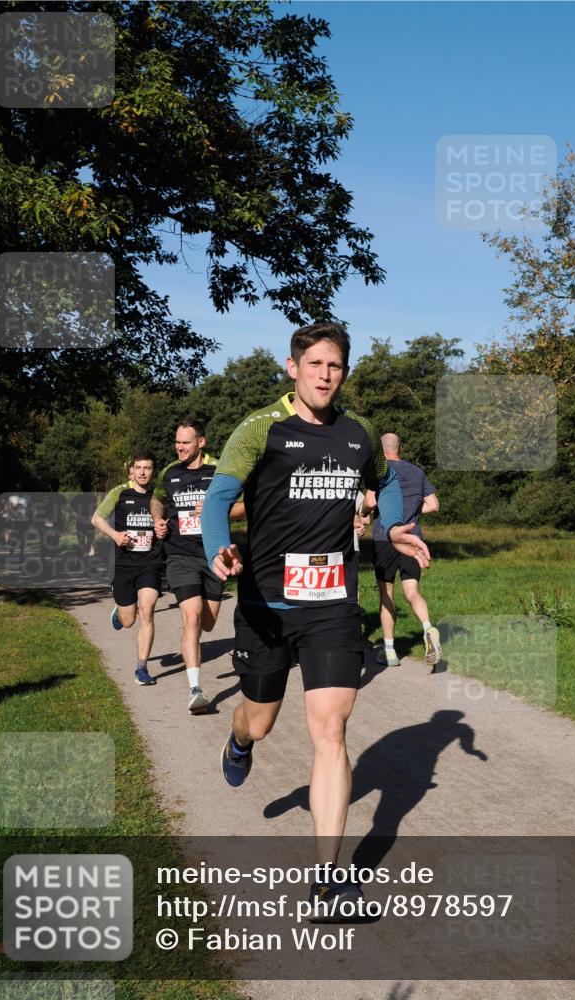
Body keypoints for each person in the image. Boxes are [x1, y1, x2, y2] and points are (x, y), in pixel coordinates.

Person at [201, 321, 430, 915]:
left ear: (343, 373)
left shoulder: (358, 434)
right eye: (315, 364)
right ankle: (238, 740)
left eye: (335, 366)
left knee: (331, 730)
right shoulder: (261, 428)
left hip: (331, 605)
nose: (325, 376)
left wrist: (392, 528)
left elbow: (386, 484)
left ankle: (328, 879)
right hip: (266, 607)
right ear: (293, 367)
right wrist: (218, 549)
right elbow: (218, 499)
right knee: (260, 721)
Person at [150, 420, 222, 714]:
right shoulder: (169, 472)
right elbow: (156, 500)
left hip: (213, 554)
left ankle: (195, 668)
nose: (179, 448)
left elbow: (245, 505)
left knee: (208, 623)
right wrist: (157, 519)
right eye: (177, 442)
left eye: (185, 443)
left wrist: (217, 508)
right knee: (191, 618)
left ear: (201, 442)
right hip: (179, 555)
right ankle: (195, 690)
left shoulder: (220, 470)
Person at [363, 433, 441, 669]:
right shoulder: (417, 472)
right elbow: (433, 505)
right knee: (412, 591)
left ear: (380, 450)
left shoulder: (379, 471)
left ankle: (389, 652)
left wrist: (363, 512)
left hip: (385, 537)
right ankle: (428, 628)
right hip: (412, 538)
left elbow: (371, 502)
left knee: (386, 593)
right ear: (400, 448)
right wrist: (413, 512)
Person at [92, 453, 163, 686]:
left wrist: (163, 529)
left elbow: (167, 522)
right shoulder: (119, 493)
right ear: (131, 470)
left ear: (153, 471)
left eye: (147, 468)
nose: (142, 472)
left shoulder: (159, 495)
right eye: (138, 467)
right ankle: (119, 614)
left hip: (150, 562)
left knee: (147, 610)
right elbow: (97, 518)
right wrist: (114, 535)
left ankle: (142, 669)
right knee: (129, 620)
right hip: (124, 564)